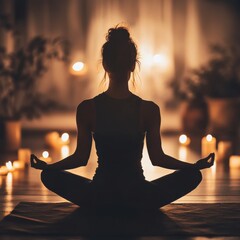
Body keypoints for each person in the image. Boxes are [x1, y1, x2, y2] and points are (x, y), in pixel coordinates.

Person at [31, 26, 214, 211]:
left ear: (104, 65)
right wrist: (193, 166)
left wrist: (49, 167)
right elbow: (158, 158)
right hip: (138, 197)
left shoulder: (87, 108)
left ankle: (105, 207)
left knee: (48, 176)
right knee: (193, 175)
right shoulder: (149, 110)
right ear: (133, 65)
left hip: (99, 196)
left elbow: (80, 158)